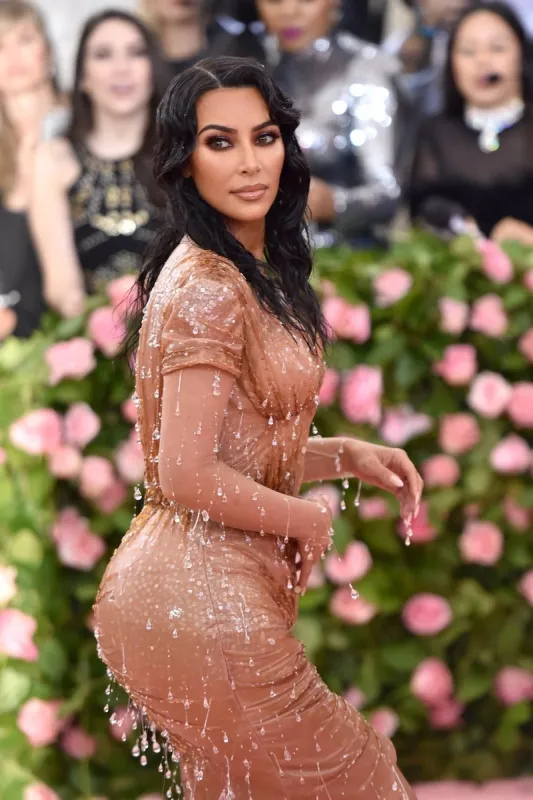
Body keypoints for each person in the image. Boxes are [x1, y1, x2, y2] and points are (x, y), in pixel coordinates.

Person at [93, 56, 423, 799]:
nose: (249, 162)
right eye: (219, 142)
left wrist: (340, 454)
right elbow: (181, 474)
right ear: (182, 163)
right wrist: (306, 520)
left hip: (184, 594)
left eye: (263, 137)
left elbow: (227, 450)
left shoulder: (228, 267)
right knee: (367, 787)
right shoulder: (209, 285)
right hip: (195, 598)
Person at [30, 11, 166, 318]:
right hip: (96, 347)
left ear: (153, 68)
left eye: (136, 53)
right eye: (103, 55)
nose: (122, 69)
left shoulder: (184, 154)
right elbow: (61, 287)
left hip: (186, 341)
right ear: (82, 77)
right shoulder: (54, 160)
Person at [255, 0, 406, 248]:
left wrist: (333, 202)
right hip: (258, 256)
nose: (289, 12)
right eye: (274, 0)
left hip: (347, 260)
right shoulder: (250, 70)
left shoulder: (367, 71)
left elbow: (389, 192)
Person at [409, 2, 533, 244]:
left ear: (522, 54)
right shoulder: (435, 132)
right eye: (468, 51)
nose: (483, 61)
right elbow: (421, 208)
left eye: (497, 48)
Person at [0, 0, 68, 339]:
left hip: (86, 314)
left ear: (49, 51)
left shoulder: (82, 127)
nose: (13, 57)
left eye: (24, 39)